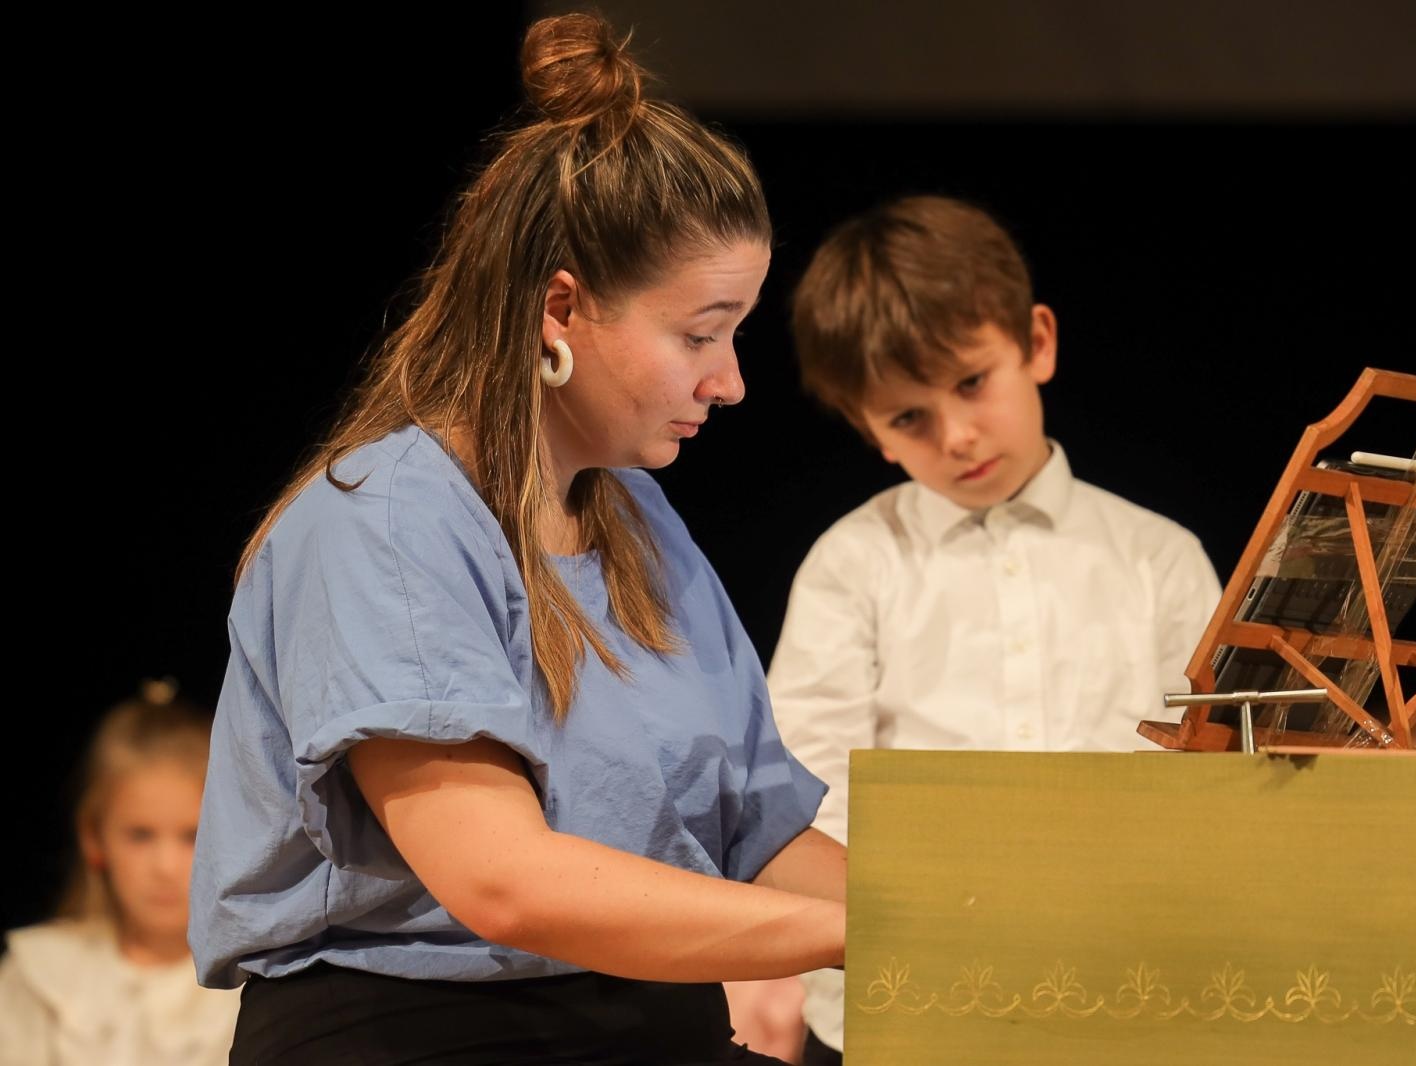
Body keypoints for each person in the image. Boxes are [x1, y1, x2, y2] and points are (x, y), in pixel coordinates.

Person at [189, 14, 844, 1064]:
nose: (729, 382)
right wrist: (873, 932)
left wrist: (975, 913)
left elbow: (753, 837)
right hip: (429, 1038)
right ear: (560, 309)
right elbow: (502, 880)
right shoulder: (386, 519)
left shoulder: (641, 522)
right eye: (699, 332)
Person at [771, 194, 1222, 1064]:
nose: (959, 434)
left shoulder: (1158, 558)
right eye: (910, 418)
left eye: (973, 383)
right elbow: (805, 785)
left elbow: (1204, 775)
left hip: (1119, 994)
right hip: (903, 1000)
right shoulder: (853, 563)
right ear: (872, 433)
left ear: (1038, 344)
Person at [0, 681, 240, 1066]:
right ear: (94, 838)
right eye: (140, 836)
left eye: (192, 836)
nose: (165, 867)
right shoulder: (40, 976)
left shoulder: (248, 987)